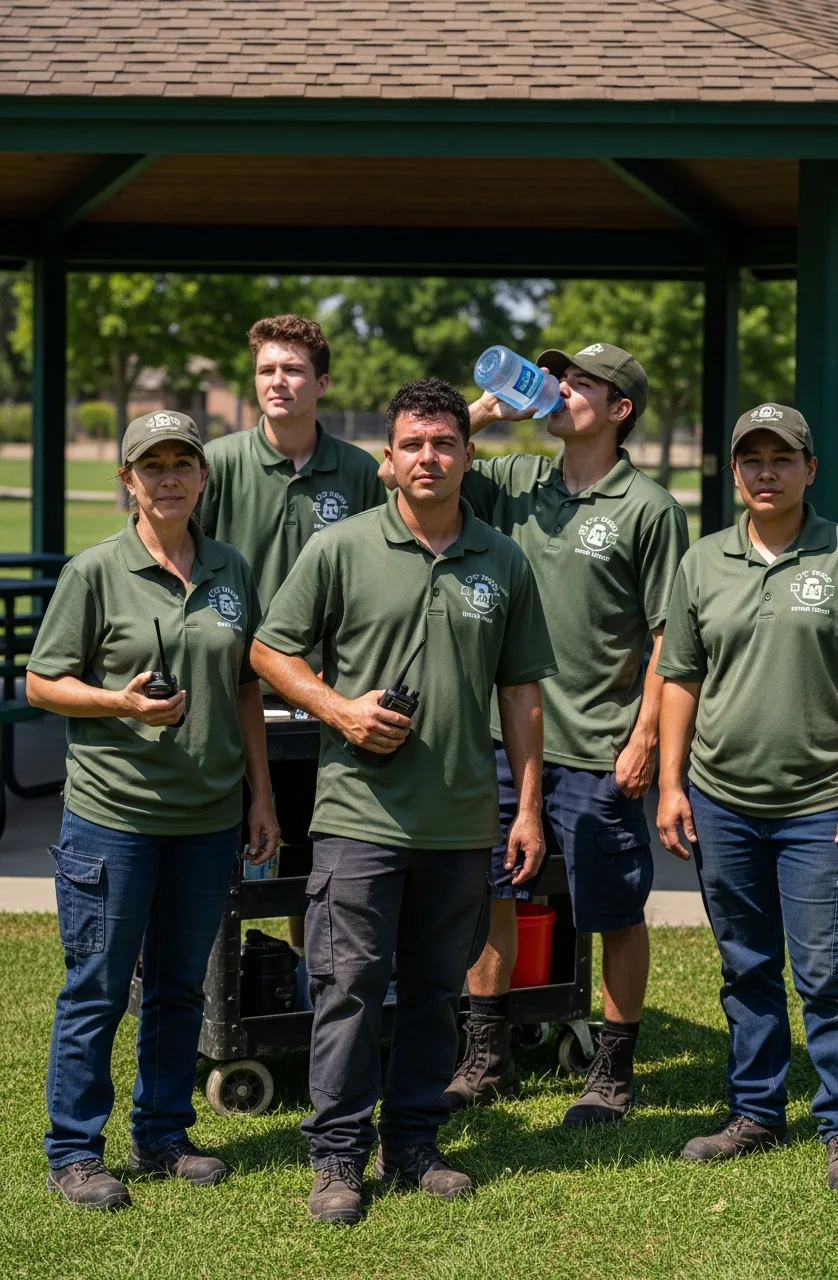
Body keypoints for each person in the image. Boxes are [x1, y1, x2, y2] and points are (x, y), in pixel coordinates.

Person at [251, 378, 556, 1226]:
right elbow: (272, 650)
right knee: (349, 984)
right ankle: (339, 1155)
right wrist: (340, 708)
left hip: (460, 820)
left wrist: (525, 806)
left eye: (445, 444)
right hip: (359, 818)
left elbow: (523, 692)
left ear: (467, 453)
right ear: (389, 460)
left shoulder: (503, 558)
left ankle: (413, 1141)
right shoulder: (342, 549)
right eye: (413, 445)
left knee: (432, 988)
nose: (429, 458)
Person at [26, 411, 279, 1211]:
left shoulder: (232, 569)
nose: (169, 477)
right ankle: (74, 1150)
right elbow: (41, 681)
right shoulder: (95, 571)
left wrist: (260, 796)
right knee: (98, 986)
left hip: (206, 817)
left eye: (183, 462)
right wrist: (119, 703)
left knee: (179, 987)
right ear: (128, 479)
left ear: (204, 476)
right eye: (152, 464)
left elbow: (245, 684)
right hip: (115, 817)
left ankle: (163, 1134)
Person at [434, 343, 688, 1125]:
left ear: (620, 411)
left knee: (611, 909)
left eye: (585, 384)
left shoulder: (649, 508)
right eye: (562, 377)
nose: (563, 390)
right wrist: (483, 412)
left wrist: (644, 737)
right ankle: (487, 1059)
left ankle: (611, 1069)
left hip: (598, 744)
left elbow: (669, 638)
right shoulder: (512, 479)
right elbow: (408, 470)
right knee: (492, 896)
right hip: (497, 739)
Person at [656, 404, 838, 1196]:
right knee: (746, 965)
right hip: (723, 797)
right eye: (751, 458)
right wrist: (670, 781)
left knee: (828, 972)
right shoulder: (702, 562)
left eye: (782, 458)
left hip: (821, 803)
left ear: (810, 469)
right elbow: (681, 677)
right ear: (732, 471)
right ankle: (756, 1110)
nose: (766, 471)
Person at [199, 314, 384, 956]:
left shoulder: (359, 472)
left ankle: (309, 982)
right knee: (220, 863)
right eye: (267, 370)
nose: (279, 382)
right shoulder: (215, 463)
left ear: (322, 383)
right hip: (229, 694)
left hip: (320, 697)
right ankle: (216, 990)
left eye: (294, 370)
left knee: (314, 859)